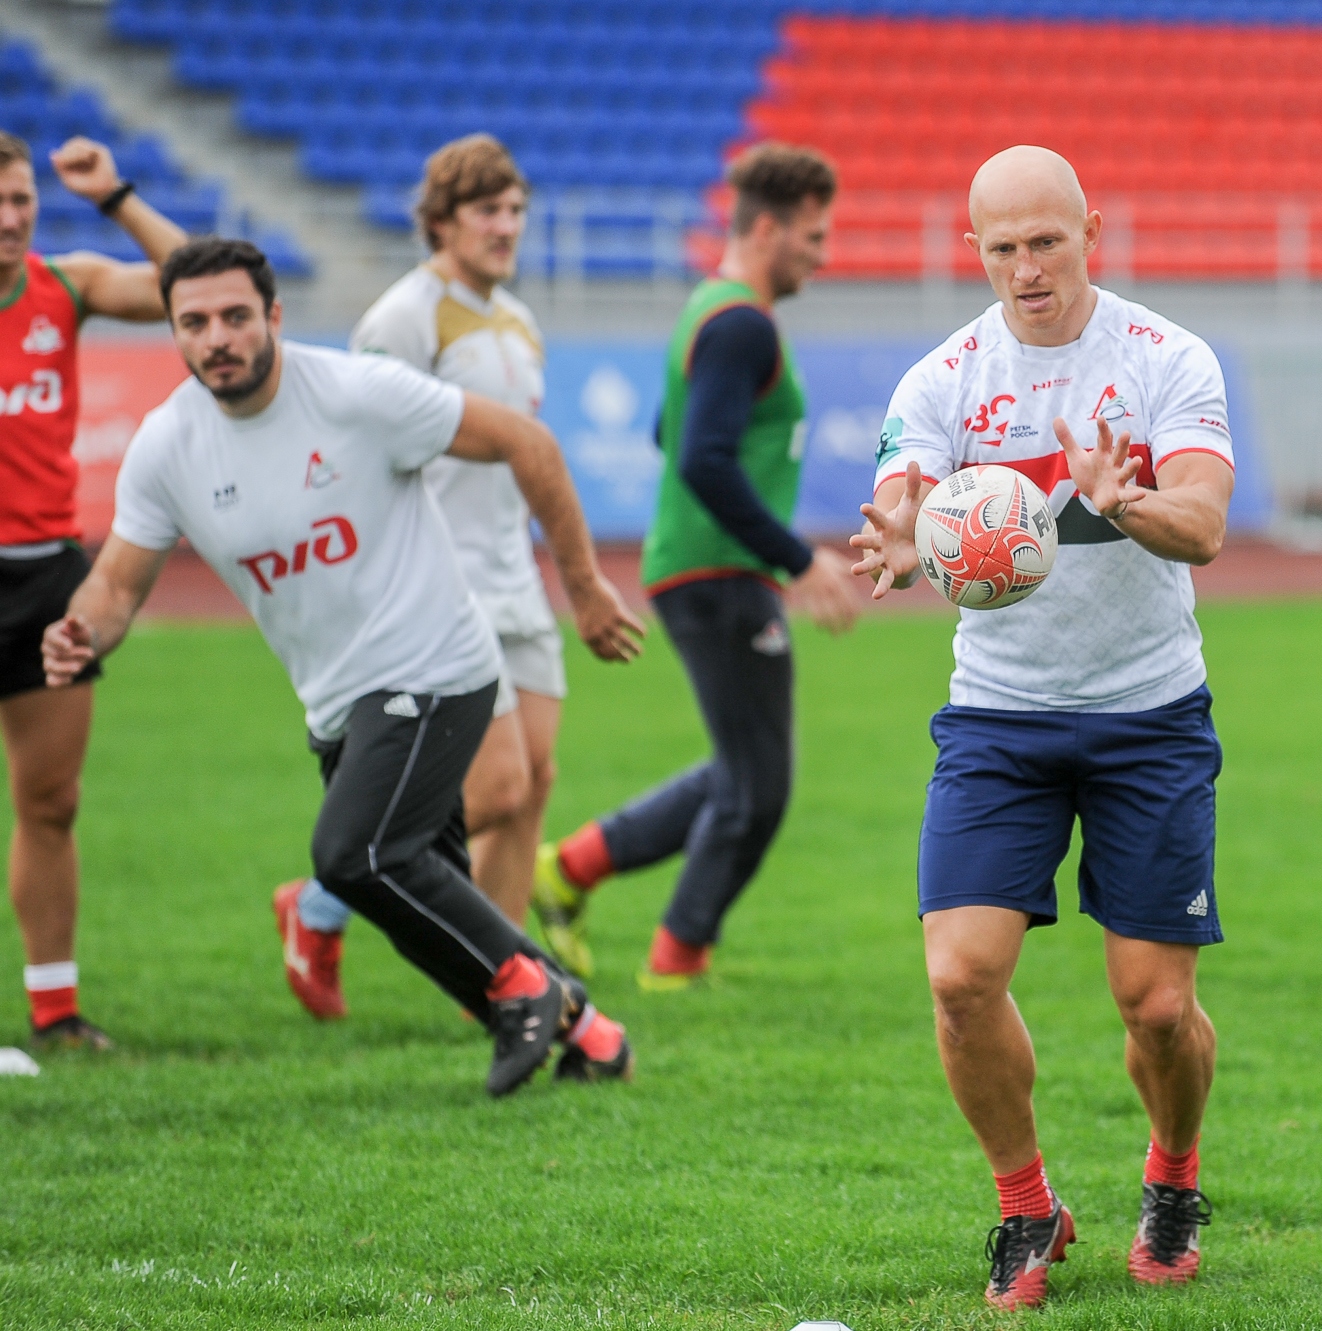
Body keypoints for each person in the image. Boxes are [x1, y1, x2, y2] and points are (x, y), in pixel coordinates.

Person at [42, 237, 645, 1095]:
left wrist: (584, 588)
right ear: (172, 332)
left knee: (353, 852)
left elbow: (528, 443)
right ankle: (592, 1034)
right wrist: (80, 634)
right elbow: (114, 587)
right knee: (409, 891)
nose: (218, 337)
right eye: (195, 322)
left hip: (437, 664)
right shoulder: (167, 446)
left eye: (236, 317)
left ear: (274, 317)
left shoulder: (358, 393)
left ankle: (528, 989)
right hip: (336, 701)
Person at [849, 145, 1235, 1310]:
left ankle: (1171, 1174)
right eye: (1001, 246)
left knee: (1155, 1005)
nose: (1025, 268)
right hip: (998, 717)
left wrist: (1123, 498)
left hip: (1148, 712)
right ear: (975, 249)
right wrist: (901, 533)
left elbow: (1206, 526)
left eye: (1045, 241)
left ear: (1090, 232)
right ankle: (1026, 1203)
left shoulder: (1166, 358)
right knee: (960, 977)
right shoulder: (943, 380)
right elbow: (902, 497)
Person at [531, 142, 856, 990]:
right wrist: (795, 559)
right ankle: (677, 957)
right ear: (769, 229)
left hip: (703, 567)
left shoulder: (709, 310)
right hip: (719, 573)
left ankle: (570, 867)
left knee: (743, 770)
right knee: (758, 788)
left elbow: (663, 433)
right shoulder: (740, 322)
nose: (823, 254)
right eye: (814, 236)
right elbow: (701, 458)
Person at [272, 134, 562, 1021]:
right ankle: (320, 901)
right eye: (487, 212)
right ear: (441, 222)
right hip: (445, 583)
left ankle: (508, 985)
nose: (506, 227)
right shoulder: (403, 316)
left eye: (515, 210)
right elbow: (365, 448)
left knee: (534, 784)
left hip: (514, 572)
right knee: (498, 785)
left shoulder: (517, 319)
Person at [0, 131, 188, 1051]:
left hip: (42, 578)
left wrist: (115, 196)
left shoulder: (63, 286)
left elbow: (193, 283)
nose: (8, 218)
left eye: (20, 200)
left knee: (52, 802)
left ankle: (55, 1009)